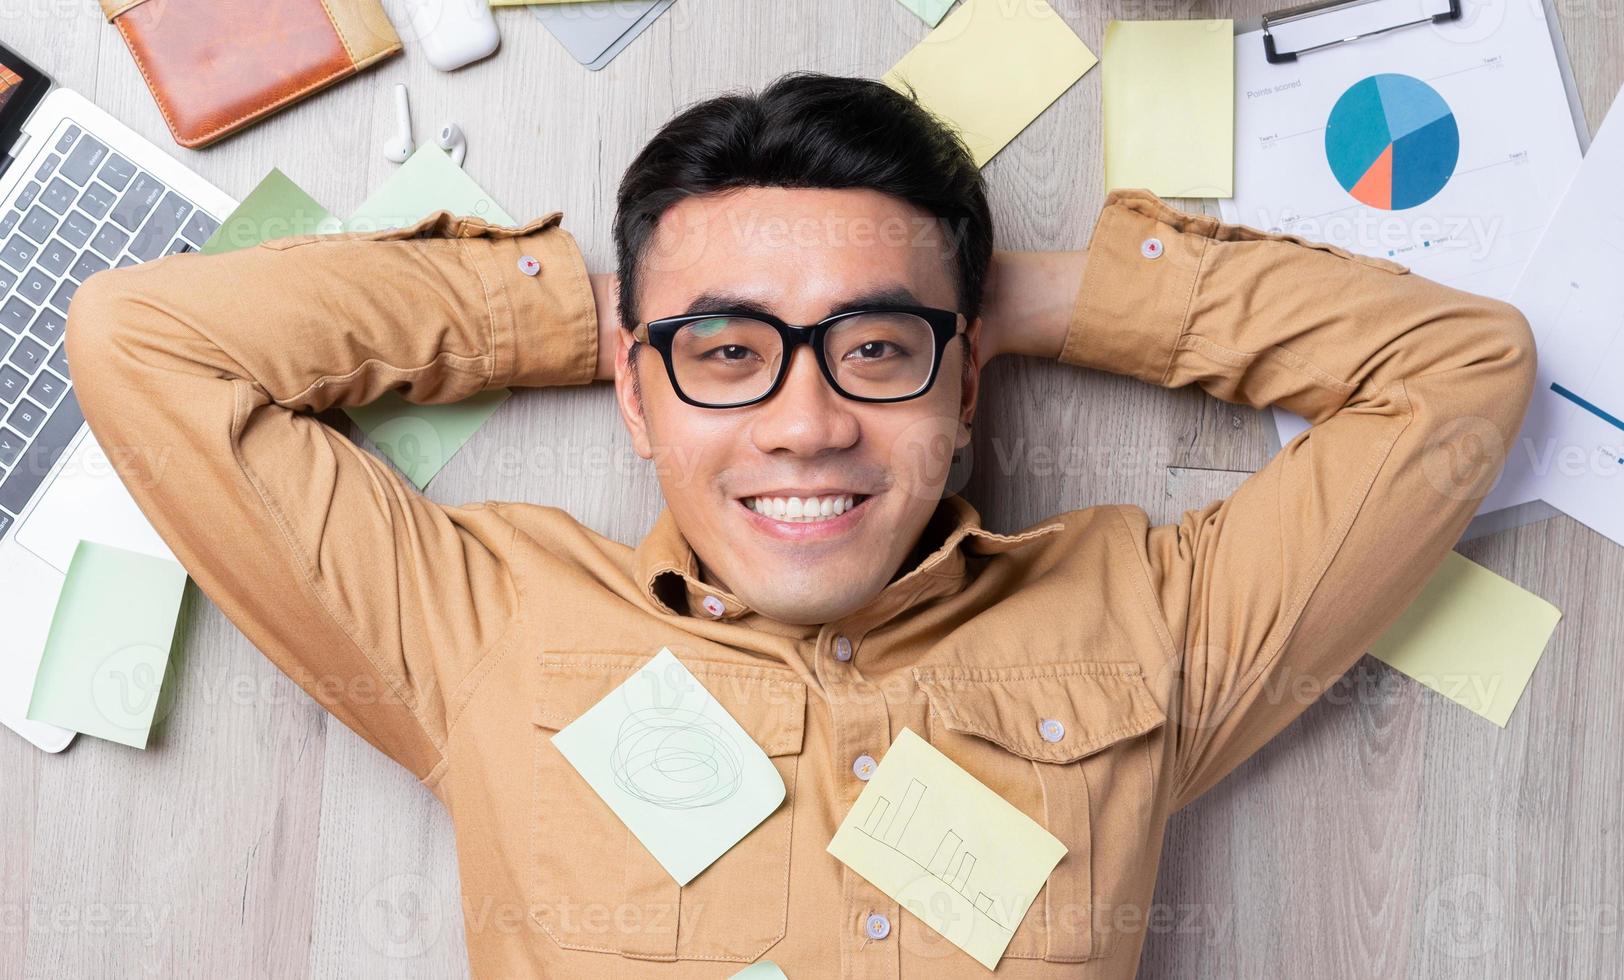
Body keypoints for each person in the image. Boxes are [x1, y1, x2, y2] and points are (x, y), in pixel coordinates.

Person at [66, 73, 1534, 977]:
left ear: (966, 387)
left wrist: (1003, 303)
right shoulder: (483, 631)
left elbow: (1456, 374)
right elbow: (142, 342)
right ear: (637, 399)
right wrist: (588, 322)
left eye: (877, 354)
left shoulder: (1148, 626)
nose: (805, 421)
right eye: (726, 358)